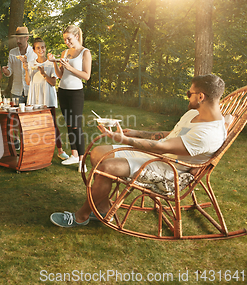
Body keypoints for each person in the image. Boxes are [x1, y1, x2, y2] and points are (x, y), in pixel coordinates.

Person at [50, 74, 227, 227]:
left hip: (170, 169)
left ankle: (81, 216)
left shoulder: (209, 134)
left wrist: (126, 140)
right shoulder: (195, 114)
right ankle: (103, 209)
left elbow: (163, 147)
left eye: (190, 93)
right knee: (97, 152)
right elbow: (171, 135)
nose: (188, 97)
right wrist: (137, 133)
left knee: (107, 168)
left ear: (201, 96)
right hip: (158, 155)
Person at [48, 25, 92, 172]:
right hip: (63, 91)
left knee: (76, 126)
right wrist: (55, 62)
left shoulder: (85, 53)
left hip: (75, 93)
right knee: (68, 125)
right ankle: (73, 155)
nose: (67, 42)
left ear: (76, 36)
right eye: (65, 39)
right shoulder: (65, 52)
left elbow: (86, 76)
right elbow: (60, 75)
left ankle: (82, 160)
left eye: (69, 39)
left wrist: (70, 67)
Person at [25, 38, 68, 160]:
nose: (41, 50)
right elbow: (28, 82)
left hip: (47, 97)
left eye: (43, 47)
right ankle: (38, 150)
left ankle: (60, 150)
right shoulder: (31, 63)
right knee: (35, 125)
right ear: (34, 50)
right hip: (35, 97)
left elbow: (53, 82)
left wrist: (43, 73)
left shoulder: (51, 63)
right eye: (38, 48)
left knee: (52, 124)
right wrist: (25, 69)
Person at [2, 26, 37, 104]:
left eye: (20, 38)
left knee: (30, 115)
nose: (18, 41)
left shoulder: (34, 52)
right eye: (17, 38)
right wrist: (6, 71)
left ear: (27, 38)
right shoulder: (12, 52)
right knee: (15, 115)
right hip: (16, 91)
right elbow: (9, 71)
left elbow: (37, 70)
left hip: (31, 90)